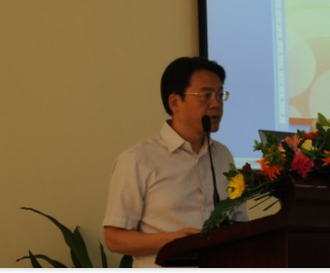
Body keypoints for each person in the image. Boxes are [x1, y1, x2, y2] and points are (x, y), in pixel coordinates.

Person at [103, 57, 247, 267]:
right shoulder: (137, 160)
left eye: (220, 95)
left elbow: (240, 223)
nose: (216, 104)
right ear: (175, 103)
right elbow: (114, 238)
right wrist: (172, 240)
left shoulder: (223, 156)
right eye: (206, 95)